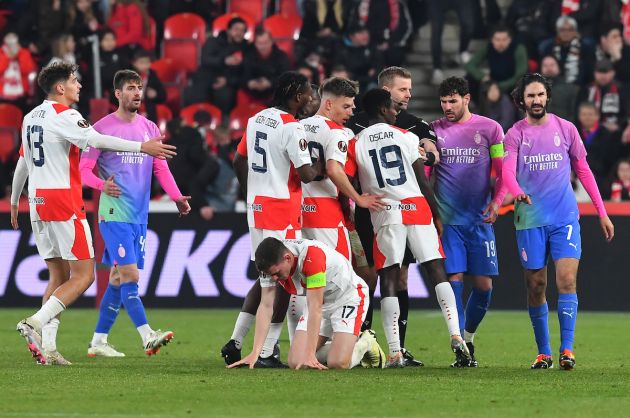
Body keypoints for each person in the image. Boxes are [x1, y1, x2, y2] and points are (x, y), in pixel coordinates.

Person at [12, 62, 175, 365]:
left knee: (58, 275)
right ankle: (34, 322)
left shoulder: (30, 117)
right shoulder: (66, 115)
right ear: (60, 88)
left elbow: (23, 161)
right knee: (84, 276)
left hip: (36, 202)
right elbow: (97, 141)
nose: (79, 86)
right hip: (63, 201)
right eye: (74, 81)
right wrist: (141, 147)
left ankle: (48, 347)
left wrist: (12, 202)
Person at [345, 88, 470, 367]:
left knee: (389, 278)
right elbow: (422, 181)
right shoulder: (406, 136)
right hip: (416, 208)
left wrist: (355, 203)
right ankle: (455, 335)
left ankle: (394, 352)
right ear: (381, 109)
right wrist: (436, 214)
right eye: (391, 106)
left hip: (385, 213)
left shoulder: (356, 142)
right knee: (437, 270)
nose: (396, 110)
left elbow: (350, 182)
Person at [502, 73, 614, 370]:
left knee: (566, 280)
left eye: (540, 95)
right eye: (530, 96)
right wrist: (517, 193)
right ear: (522, 100)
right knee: (536, 285)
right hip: (529, 219)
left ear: (547, 96)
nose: (536, 100)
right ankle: (544, 352)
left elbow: (585, 171)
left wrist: (601, 211)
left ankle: (567, 350)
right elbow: (507, 173)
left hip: (564, 218)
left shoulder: (566, 129)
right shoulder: (515, 134)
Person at [79, 69, 191, 357]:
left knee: (117, 278)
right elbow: (82, 172)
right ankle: (146, 335)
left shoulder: (150, 128)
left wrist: (177, 197)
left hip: (139, 215)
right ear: (117, 94)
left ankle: (99, 342)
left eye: (139, 87)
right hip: (114, 212)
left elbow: (160, 168)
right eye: (131, 87)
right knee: (130, 275)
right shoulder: (100, 129)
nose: (137, 92)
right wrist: (102, 185)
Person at [220, 72, 326, 368]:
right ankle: (268, 351)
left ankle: (252, 345)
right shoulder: (291, 127)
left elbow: (238, 160)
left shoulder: (255, 120)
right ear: (295, 96)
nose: (310, 99)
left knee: (268, 279)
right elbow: (306, 174)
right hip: (282, 208)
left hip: (257, 207)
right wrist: (323, 163)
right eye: (307, 94)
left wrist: (250, 191)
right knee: (286, 279)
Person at [346, 66, 439, 367]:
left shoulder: (412, 124)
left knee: (400, 276)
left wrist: (430, 149)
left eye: (410, 89)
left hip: (401, 212)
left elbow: (430, 144)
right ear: (386, 92)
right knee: (367, 276)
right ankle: (365, 340)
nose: (409, 95)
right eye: (403, 89)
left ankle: (399, 346)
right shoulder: (354, 122)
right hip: (366, 211)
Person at [296, 77, 385, 343]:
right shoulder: (336, 133)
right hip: (329, 214)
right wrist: (359, 198)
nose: (351, 112)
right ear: (328, 103)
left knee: (318, 276)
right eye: (346, 107)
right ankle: (341, 338)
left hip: (303, 210)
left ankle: (315, 337)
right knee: (342, 279)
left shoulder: (298, 127)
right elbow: (334, 168)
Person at [430, 77, 507, 367]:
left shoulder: (491, 129)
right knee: (454, 282)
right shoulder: (435, 130)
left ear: (467, 98)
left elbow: (501, 172)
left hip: (479, 221)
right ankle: (459, 345)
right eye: (443, 101)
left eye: (453, 101)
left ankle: (468, 338)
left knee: (485, 287)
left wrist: (498, 202)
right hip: (448, 222)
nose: (447, 107)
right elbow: (426, 175)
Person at [228, 237, 385, 369]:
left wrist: (310, 355)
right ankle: (340, 345)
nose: (274, 279)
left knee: (337, 363)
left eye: (276, 274)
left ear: (288, 258)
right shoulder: (272, 264)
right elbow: (266, 305)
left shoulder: (312, 258)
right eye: (271, 275)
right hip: (319, 301)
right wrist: (256, 352)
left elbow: (315, 308)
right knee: (296, 361)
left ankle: (366, 342)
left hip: (348, 298)